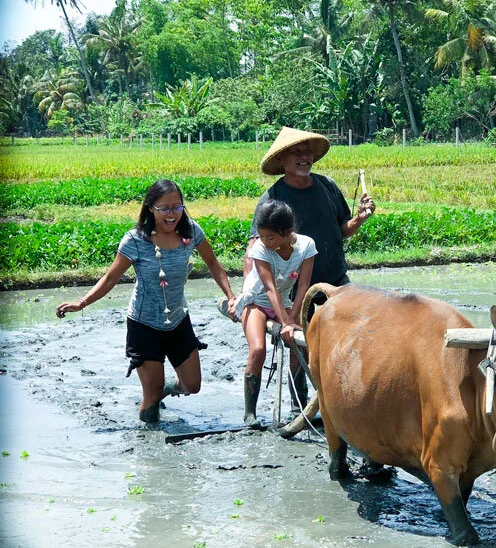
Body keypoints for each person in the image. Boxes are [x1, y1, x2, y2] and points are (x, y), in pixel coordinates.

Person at [56, 179, 236, 424]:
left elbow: (214, 265)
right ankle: (149, 444)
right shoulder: (135, 240)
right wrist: (82, 302)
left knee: (192, 385)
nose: (171, 214)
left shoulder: (191, 232)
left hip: (178, 319)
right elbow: (110, 278)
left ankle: (165, 390)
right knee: (150, 394)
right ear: (151, 208)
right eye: (164, 208)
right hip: (144, 324)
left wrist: (231, 296)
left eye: (177, 207)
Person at [242, 127, 375, 417]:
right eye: (297, 153)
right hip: (295, 288)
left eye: (307, 153)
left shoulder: (327, 186)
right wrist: (247, 292)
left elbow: (342, 229)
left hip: (335, 279)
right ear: (282, 161)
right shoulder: (273, 197)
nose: (305, 158)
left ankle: (350, 401)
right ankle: (300, 406)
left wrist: (359, 220)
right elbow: (256, 248)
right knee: (299, 348)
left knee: (350, 340)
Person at [230, 200, 316, 428]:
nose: (265, 242)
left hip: (285, 301)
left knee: (300, 347)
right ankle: (250, 414)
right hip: (256, 302)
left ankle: (299, 406)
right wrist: (286, 321)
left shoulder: (306, 246)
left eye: (271, 238)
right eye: (262, 236)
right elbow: (268, 289)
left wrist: (291, 320)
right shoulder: (260, 248)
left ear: (287, 233)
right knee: (258, 350)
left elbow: (304, 285)